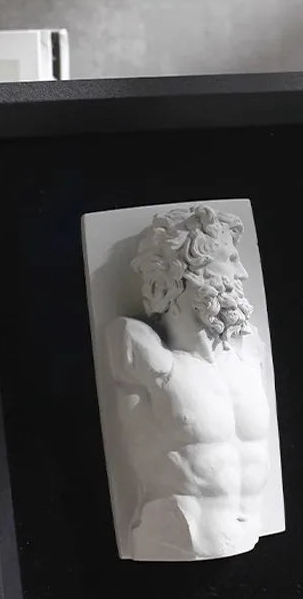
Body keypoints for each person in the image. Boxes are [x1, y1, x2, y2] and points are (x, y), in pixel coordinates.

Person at [106, 204, 271, 561]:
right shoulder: (141, 351)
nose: (243, 274)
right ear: (186, 272)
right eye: (231, 259)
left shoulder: (249, 352)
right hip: (179, 537)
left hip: (251, 533)